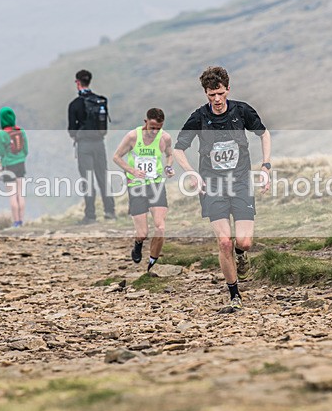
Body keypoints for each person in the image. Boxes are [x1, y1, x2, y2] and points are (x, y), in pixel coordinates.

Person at [173, 66, 271, 312]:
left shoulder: (241, 111)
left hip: (239, 183)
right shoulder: (199, 117)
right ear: (205, 93)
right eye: (210, 95)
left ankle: (241, 255)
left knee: (244, 242)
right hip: (212, 186)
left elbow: (264, 133)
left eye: (219, 93)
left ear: (227, 89)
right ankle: (234, 293)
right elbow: (178, 149)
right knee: (224, 242)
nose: (216, 100)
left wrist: (265, 166)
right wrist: (192, 173)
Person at [112, 108, 175, 272]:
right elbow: (116, 157)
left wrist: (168, 168)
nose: (155, 131)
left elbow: (169, 154)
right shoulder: (133, 137)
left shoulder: (165, 138)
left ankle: (153, 263)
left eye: (159, 128)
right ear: (145, 122)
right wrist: (132, 171)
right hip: (137, 186)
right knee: (143, 233)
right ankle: (138, 244)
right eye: (152, 127)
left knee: (160, 227)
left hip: (155, 185)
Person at [68, 69, 116, 223]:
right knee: (103, 178)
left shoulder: (75, 105)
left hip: (84, 146)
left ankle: (90, 215)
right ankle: (110, 212)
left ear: (77, 82)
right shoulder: (100, 101)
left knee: (87, 180)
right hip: (99, 144)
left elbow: (71, 129)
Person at [0, 106, 29, 228]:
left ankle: (16, 222)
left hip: (8, 167)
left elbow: (0, 152)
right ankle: (22, 220)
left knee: (12, 195)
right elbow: (26, 150)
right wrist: (20, 158)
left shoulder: (1, 134)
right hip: (20, 164)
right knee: (20, 193)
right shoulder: (21, 131)